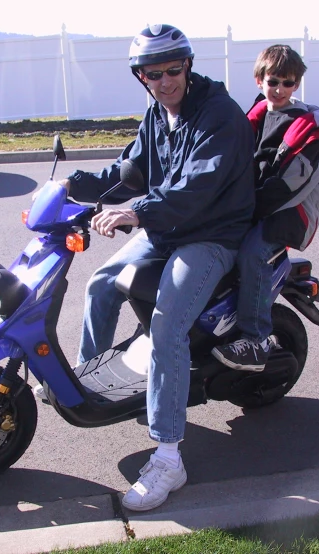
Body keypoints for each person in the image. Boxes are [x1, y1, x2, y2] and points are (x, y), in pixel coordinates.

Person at [44, 24, 256, 511]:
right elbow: (130, 171)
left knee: (166, 328)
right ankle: (89, 380)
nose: (164, 81)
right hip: (169, 227)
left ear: (188, 64)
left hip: (210, 235)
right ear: (140, 76)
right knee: (101, 283)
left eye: (172, 70)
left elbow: (197, 188)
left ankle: (168, 458)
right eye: (152, 73)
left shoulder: (220, 116)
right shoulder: (158, 114)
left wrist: (138, 212)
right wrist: (75, 187)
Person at [211, 44, 319, 372]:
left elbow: (290, 186)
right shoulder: (254, 117)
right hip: (255, 203)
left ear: (297, 84)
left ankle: (255, 340)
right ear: (259, 81)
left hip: (289, 212)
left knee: (253, 253)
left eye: (287, 82)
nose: (279, 89)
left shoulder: (308, 126)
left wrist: (244, 209)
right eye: (273, 81)